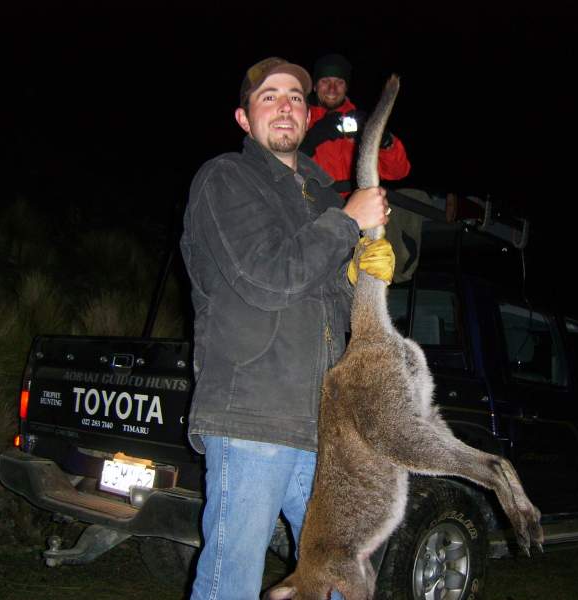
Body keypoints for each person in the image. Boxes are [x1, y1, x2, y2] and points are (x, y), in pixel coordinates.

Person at [180, 56, 395, 600]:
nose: (286, 105)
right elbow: (266, 278)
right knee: (233, 580)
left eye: (296, 97)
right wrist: (347, 221)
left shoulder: (321, 193)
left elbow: (328, 304)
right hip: (252, 412)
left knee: (343, 580)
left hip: (323, 422)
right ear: (244, 119)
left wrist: (358, 276)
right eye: (269, 96)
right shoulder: (226, 178)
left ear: (307, 116)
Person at [300, 53, 411, 196]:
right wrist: (312, 138)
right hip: (314, 204)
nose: (332, 88)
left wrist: (386, 142)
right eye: (325, 81)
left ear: (346, 87)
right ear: (314, 86)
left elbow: (398, 172)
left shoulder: (363, 123)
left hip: (358, 204)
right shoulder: (300, 120)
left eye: (339, 82)